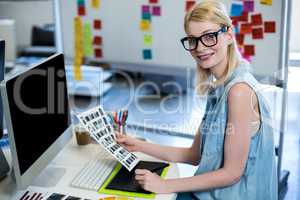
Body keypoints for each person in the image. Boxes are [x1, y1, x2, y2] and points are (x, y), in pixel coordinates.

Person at [116, 1, 278, 199]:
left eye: (209, 37)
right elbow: (194, 155)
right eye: (193, 40)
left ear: (228, 35)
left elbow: (232, 173)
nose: (200, 48)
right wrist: (138, 145)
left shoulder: (239, 91)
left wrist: (166, 185)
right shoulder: (219, 87)